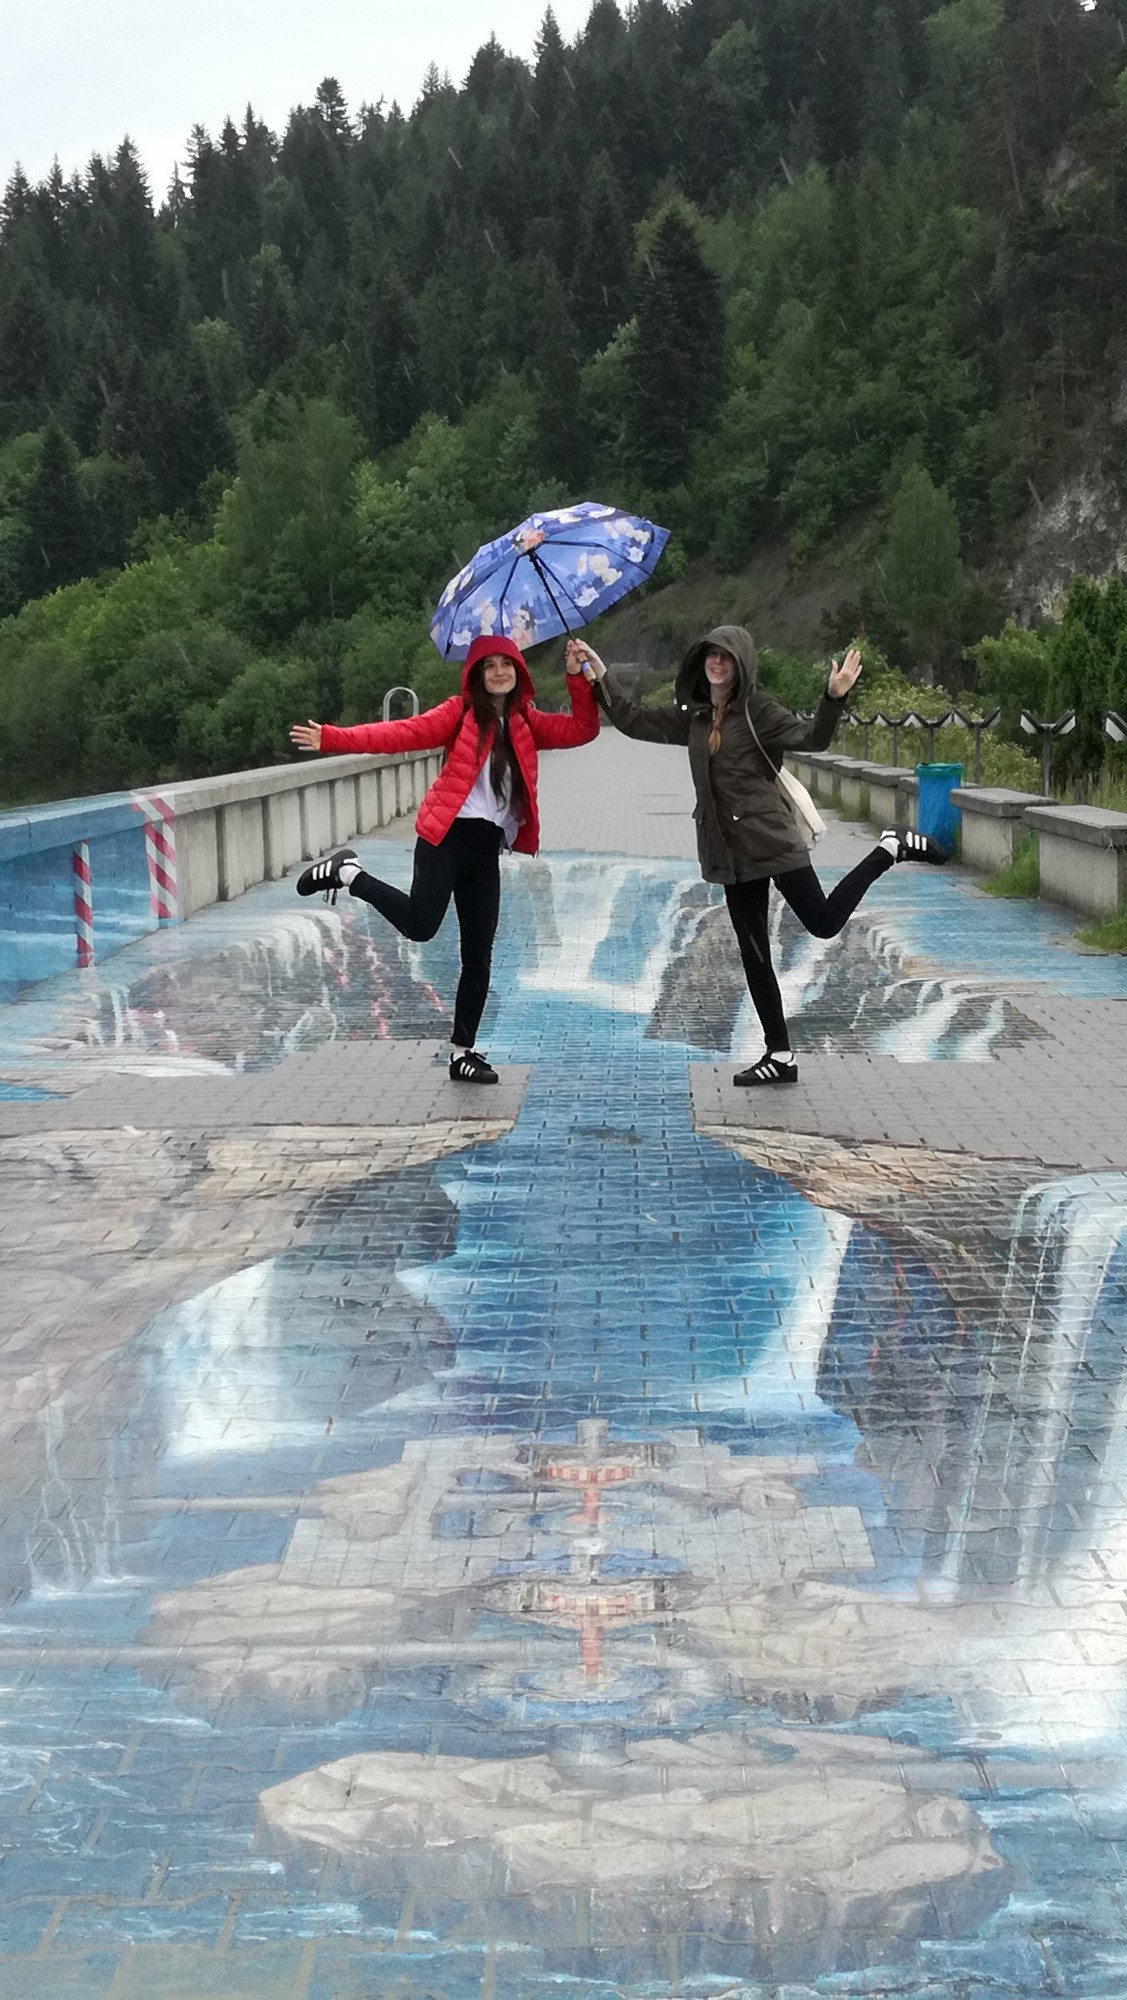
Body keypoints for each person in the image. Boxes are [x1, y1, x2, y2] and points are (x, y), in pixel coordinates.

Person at [569, 626, 946, 1086]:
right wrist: (599, 672)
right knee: (754, 955)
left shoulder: (759, 712)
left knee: (824, 922)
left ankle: (888, 848)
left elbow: (813, 738)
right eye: (711, 654)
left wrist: (834, 697)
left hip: (770, 841)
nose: (717, 663)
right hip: (729, 853)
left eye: (726, 656)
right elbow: (632, 720)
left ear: (741, 664)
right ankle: (779, 1054)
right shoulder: (694, 716)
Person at [289, 634, 599, 1083]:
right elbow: (400, 734)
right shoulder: (458, 713)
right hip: (445, 838)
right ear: (476, 674)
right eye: (489, 665)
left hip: (486, 849)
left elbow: (583, 729)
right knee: (421, 926)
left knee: (479, 954)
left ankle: (462, 1053)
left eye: (507, 665)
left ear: (519, 673)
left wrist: (577, 677)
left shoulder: (526, 721)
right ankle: (349, 873)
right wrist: (333, 738)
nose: (499, 672)